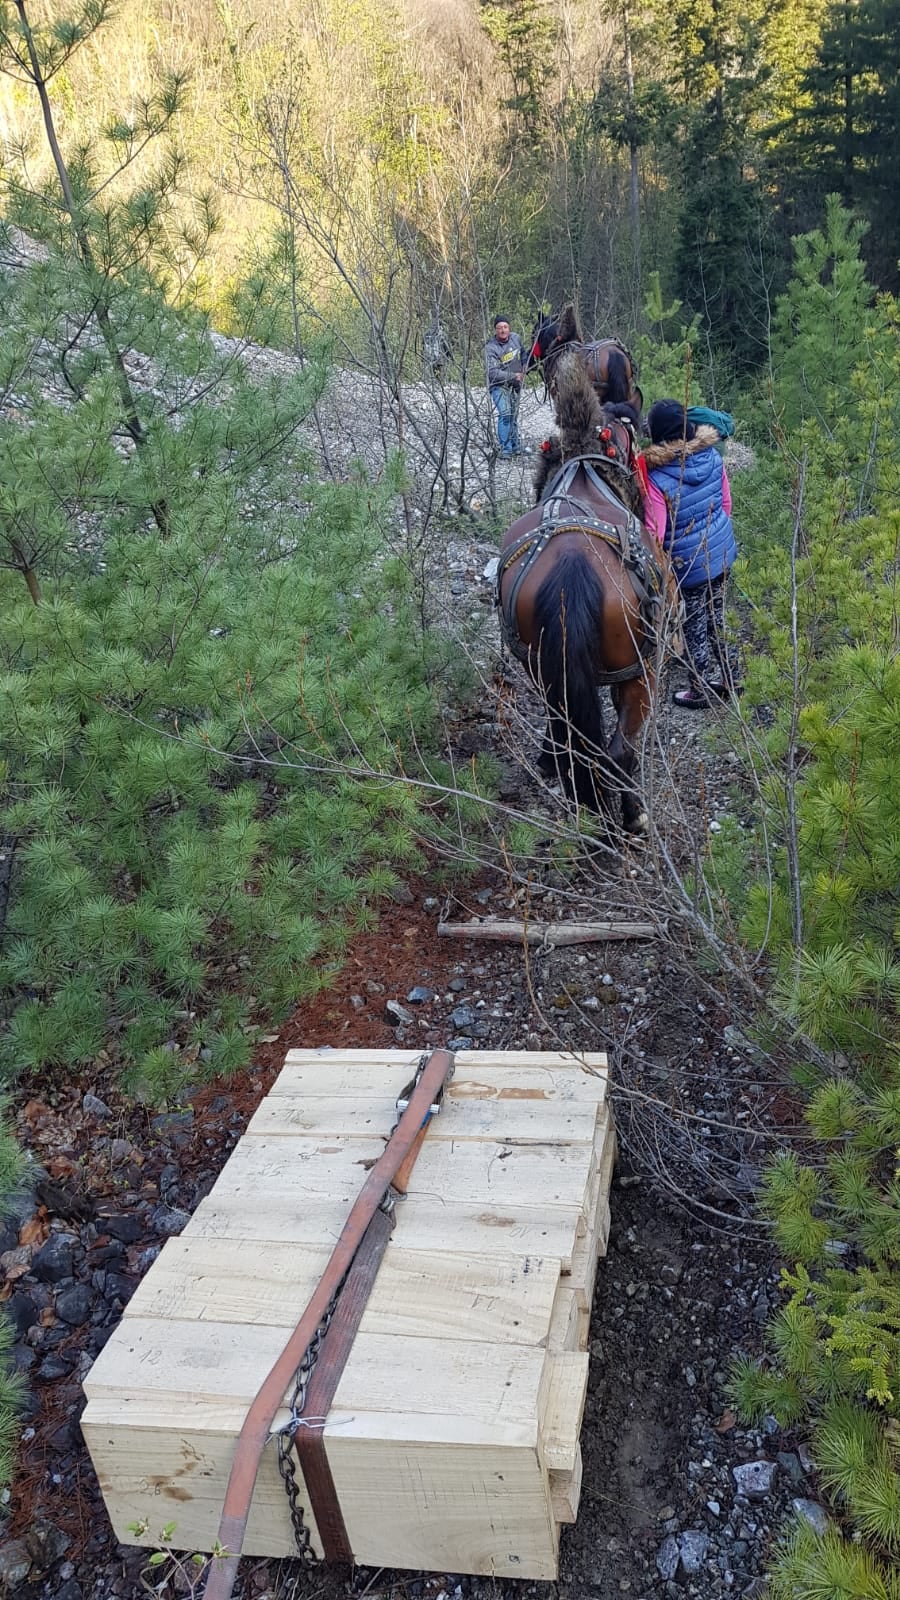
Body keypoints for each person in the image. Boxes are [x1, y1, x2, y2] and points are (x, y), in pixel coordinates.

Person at [643, 399, 739, 709]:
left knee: (695, 626)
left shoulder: (657, 479)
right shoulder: (711, 456)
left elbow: (655, 534)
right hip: (721, 552)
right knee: (718, 618)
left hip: (688, 564)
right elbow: (726, 505)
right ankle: (733, 678)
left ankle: (701, 690)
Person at [484, 315, 526, 457]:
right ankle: (505, 449)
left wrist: (525, 366)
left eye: (505, 327)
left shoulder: (516, 338)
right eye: (499, 328)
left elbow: (524, 353)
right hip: (498, 386)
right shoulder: (490, 348)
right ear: (495, 330)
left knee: (514, 416)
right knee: (505, 414)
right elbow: (492, 373)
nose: (503, 330)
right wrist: (514, 375)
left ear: (509, 328)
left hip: (515, 386)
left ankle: (515, 446)